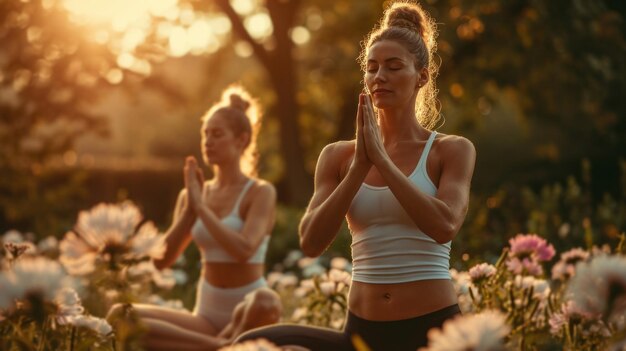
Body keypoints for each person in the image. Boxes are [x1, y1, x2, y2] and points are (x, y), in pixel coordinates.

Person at [234, 1, 476, 350]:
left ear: (421, 75)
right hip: (360, 334)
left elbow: (444, 225)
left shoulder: (451, 150)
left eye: (394, 67)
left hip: (432, 331)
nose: (380, 76)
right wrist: (361, 167)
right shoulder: (339, 156)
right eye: (372, 68)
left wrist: (382, 161)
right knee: (252, 344)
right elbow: (311, 242)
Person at [107, 86, 282, 351]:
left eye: (217, 134)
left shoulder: (260, 192)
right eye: (205, 134)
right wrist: (190, 211)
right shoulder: (191, 197)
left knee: (267, 300)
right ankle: (219, 345)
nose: (208, 142)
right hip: (205, 319)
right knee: (120, 315)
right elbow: (161, 261)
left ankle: (224, 342)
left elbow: (244, 249)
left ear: (242, 140)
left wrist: (201, 208)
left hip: (250, 314)